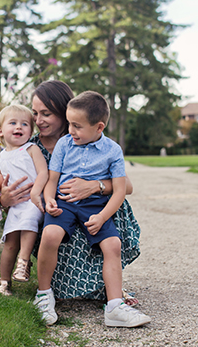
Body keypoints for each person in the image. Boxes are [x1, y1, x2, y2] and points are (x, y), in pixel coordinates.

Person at [0, 81, 141, 303]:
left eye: (46, 113)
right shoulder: (28, 146)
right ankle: (54, 288)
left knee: (106, 213)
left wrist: (95, 185)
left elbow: (127, 186)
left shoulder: (87, 137)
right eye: (35, 113)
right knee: (56, 225)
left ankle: (109, 286)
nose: (37, 120)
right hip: (53, 211)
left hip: (89, 206)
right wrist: (3, 198)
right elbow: (6, 179)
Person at [35, 90, 150, 327]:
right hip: (64, 202)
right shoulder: (65, 145)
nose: (70, 131)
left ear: (99, 127)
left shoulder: (112, 150)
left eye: (77, 126)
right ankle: (43, 296)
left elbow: (120, 190)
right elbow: (52, 180)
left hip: (96, 206)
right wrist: (49, 200)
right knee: (50, 234)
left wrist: (102, 217)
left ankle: (115, 306)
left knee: (112, 244)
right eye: (69, 124)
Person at [0, 104, 49, 296]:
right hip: (16, 205)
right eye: (13, 123)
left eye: (25, 124)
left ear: (30, 131)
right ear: (1, 131)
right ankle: (4, 281)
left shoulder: (31, 149)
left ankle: (23, 262)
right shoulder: (0, 158)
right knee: (9, 243)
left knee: (29, 222)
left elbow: (43, 172)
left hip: (33, 201)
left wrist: (36, 192)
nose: (19, 127)